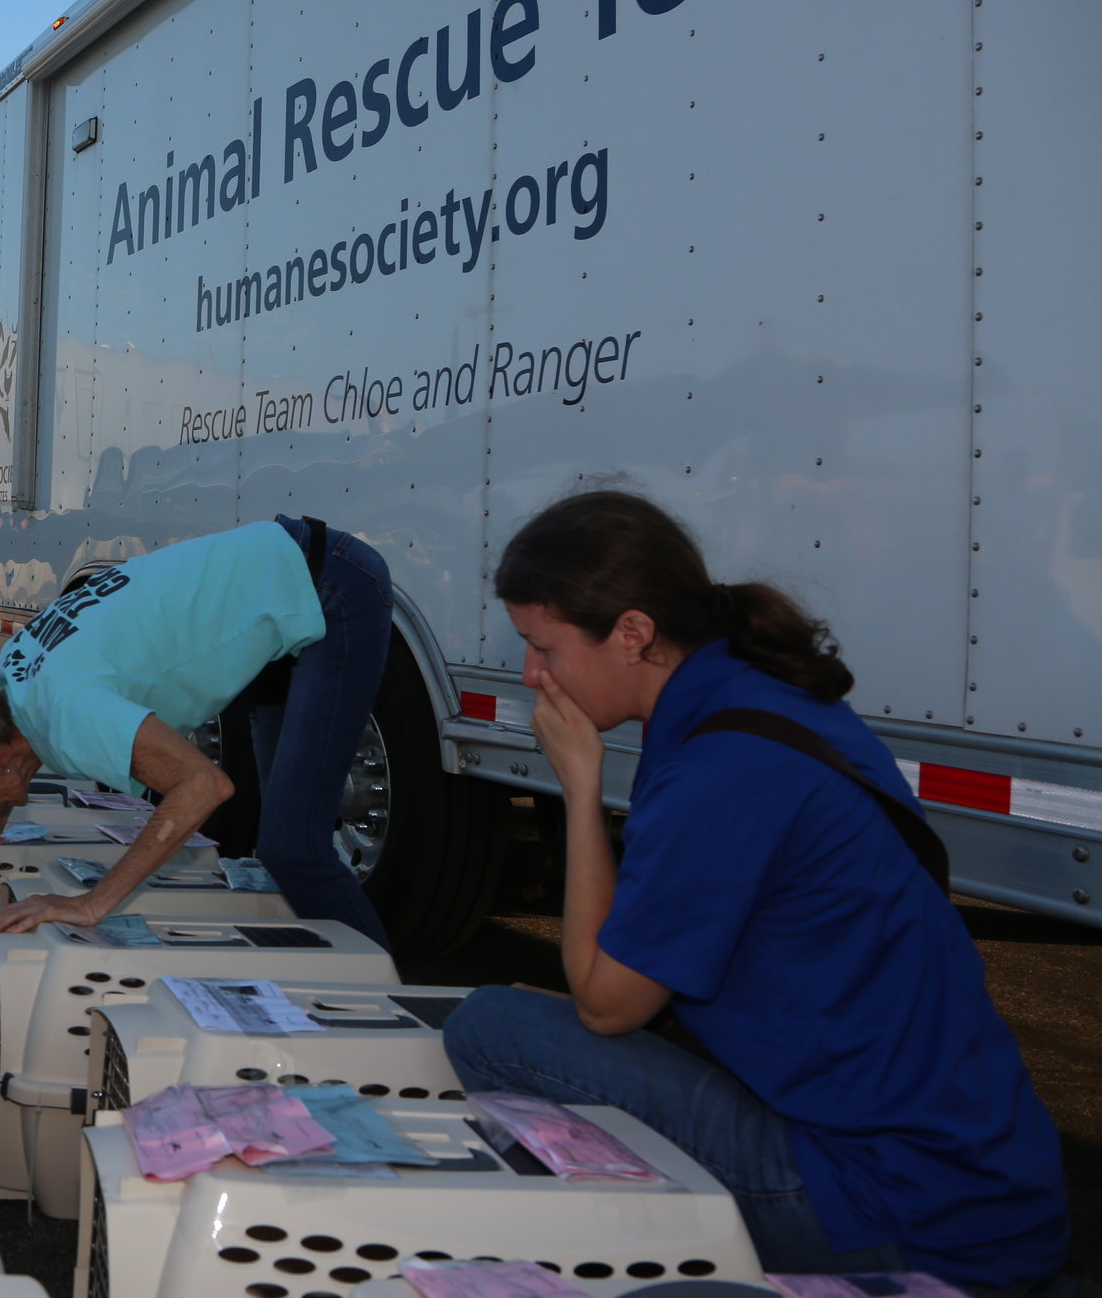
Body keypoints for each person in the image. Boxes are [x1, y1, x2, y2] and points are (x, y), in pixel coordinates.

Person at [443, 491, 1069, 1288]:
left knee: (495, 1024)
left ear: (633, 632)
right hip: (985, 1185)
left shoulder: (716, 773)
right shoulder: (767, 693)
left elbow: (605, 1001)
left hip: (888, 1210)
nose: (532, 674)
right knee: (548, 1014)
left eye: (544, 647)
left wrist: (579, 785)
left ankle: (621, 1249)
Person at [0, 514, 394, 945]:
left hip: (327, 585)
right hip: (277, 591)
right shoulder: (13, 678)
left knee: (293, 847)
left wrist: (91, 904)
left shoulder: (70, 710)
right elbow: (8, 749)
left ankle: (389, 1006)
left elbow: (205, 785)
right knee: (286, 842)